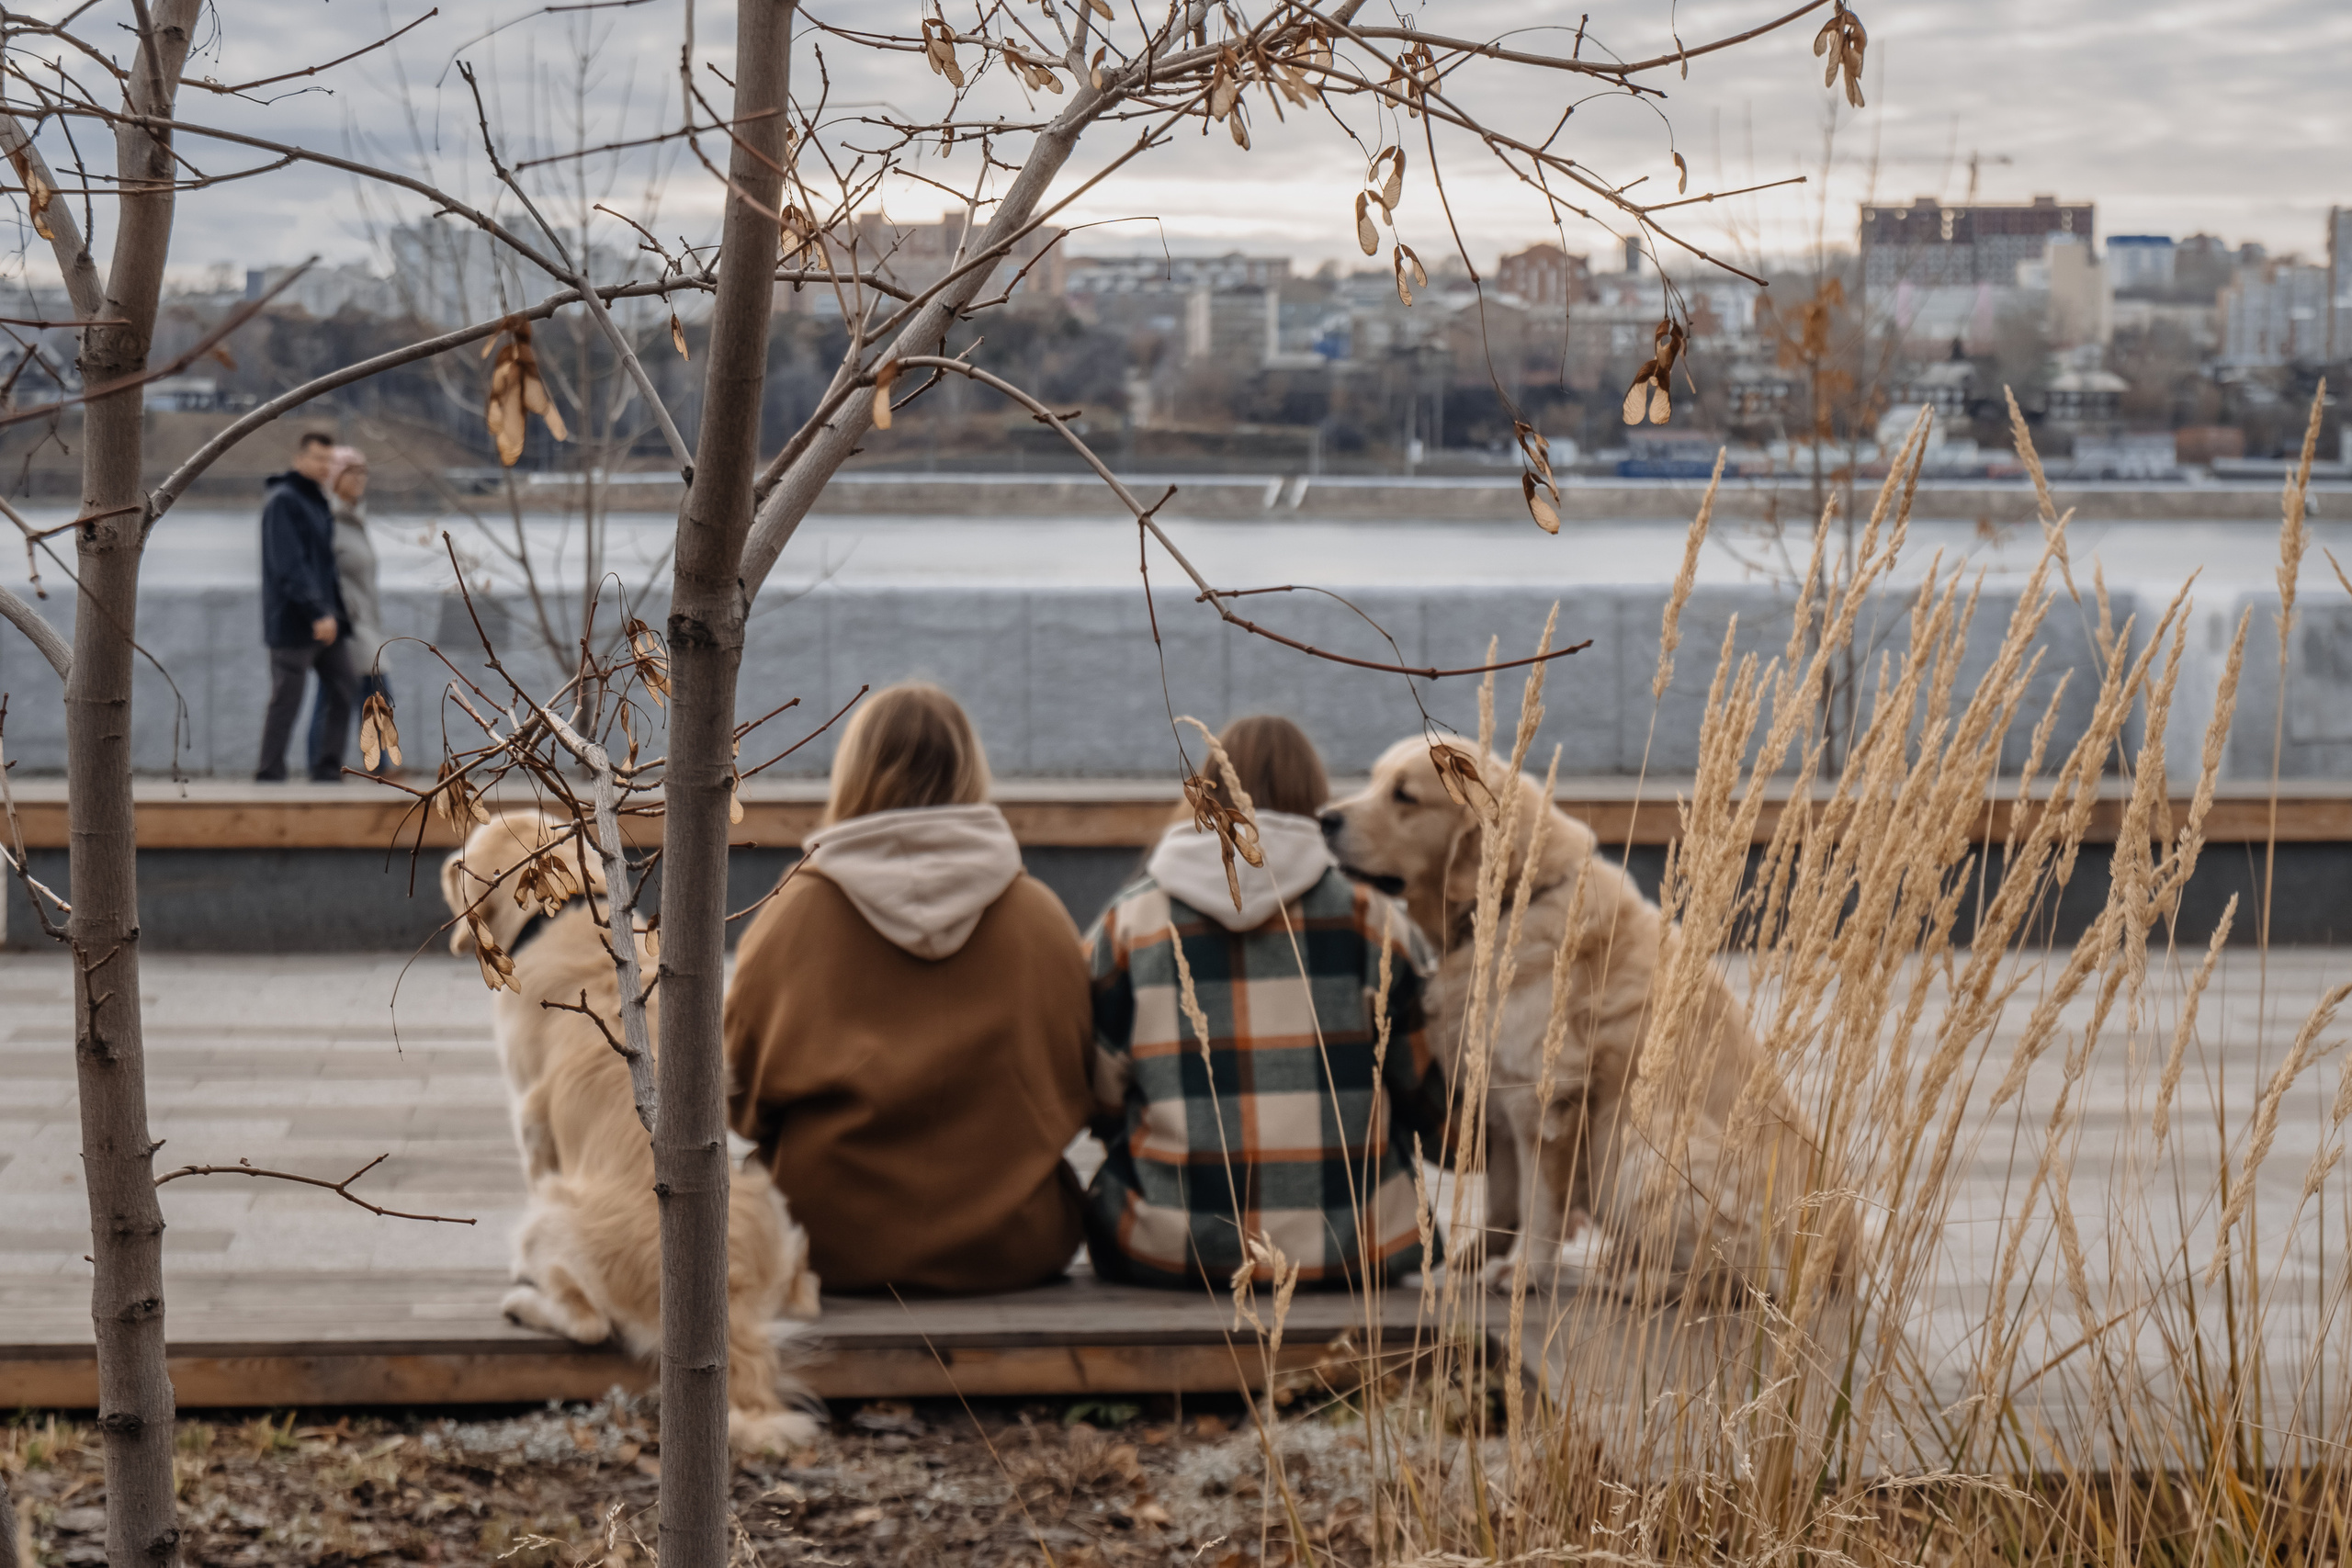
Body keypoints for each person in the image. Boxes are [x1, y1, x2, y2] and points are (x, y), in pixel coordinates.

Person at [725, 683, 1105, 1295]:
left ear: (853, 774)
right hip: (1015, 1244)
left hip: (820, 1245)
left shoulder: (789, 917)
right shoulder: (1041, 918)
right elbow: (1082, 1086)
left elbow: (735, 1100)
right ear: (971, 770)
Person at [1081, 716, 1445, 1290]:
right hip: (1355, 1251)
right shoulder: (1375, 922)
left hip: (1168, 1248)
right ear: (1313, 798)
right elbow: (1429, 1095)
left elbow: (1098, 1099)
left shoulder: (1129, 923)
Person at [256, 431, 356, 783]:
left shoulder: (315, 500)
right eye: (318, 459)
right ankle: (269, 774)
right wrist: (317, 611)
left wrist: (335, 615)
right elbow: (289, 565)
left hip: (327, 621)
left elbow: (323, 567)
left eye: (329, 460)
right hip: (294, 622)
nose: (325, 466)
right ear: (299, 459)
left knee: (344, 687)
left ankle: (328, 770)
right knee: (286, 701)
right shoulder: (284, 500)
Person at [308, 446, 392, 776]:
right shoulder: (328, 518)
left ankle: (329, 765)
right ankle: (380, 766)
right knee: (372, 691)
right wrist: (338, 611)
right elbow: (320, 571)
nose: (359, 479)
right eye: (351, 471)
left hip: (365, 623)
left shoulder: (355, 517)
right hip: (347, 623)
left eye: (363, 471)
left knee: (338, 694)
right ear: (335, 476)